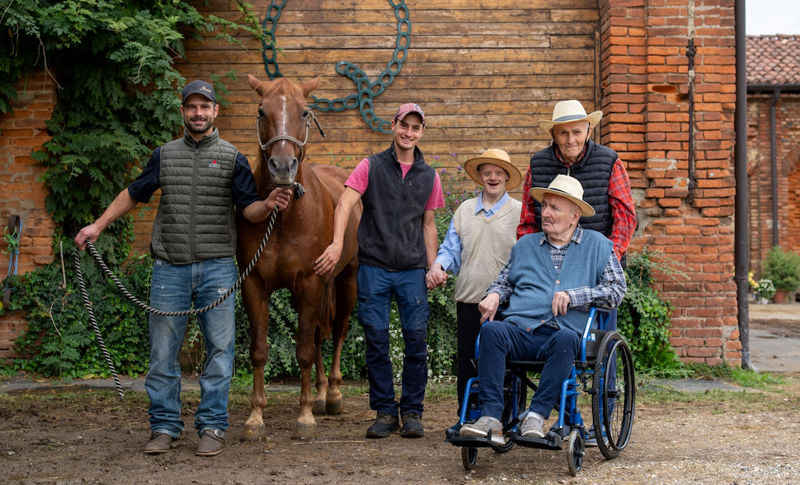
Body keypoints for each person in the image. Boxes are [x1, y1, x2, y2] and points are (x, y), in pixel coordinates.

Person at [75, 80, 293, 457]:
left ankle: (212, 426)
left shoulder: (232, 158)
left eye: (204, 107)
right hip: (169, 269)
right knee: (162, 354)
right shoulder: (164, 155)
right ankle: (164, 427)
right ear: (183, 112)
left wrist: (270, 202)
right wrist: (97, 225)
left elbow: (249, 211)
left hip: (219, 269)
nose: (198, 113)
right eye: (191, 107)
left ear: (215, 112)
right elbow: (134, 193)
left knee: (220, 352)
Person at [459, 175, 626, 445]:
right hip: (519, 331)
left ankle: (535, 416)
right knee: (491, 330)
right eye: (544, 206)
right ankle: (490, 418)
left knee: (566, 339)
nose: (545, 213)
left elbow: (616, 290)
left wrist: (576, 295)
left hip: (561, 337)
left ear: (574, 216)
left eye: (554, 208)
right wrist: (493, 295)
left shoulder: (598, 246)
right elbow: (503, 283)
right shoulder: (525, 246)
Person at [314, 103, 444, 439]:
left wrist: (433, 265)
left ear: (422, 133)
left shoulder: (429, 176)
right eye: (404, 125)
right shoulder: (370, 166)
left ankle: (412, 411)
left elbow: (428, 225)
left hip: (412, 271)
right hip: (373, 268)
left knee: (416, 341)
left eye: (416, 128)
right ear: (394, 125)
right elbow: (345, 203)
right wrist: (338, 244)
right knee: (376, 340)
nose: (409, 133)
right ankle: (385, 411)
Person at [518, 100, 635, 445]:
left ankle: (604, 415)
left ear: (588, 131)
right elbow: (527, 220)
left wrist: (603, 260)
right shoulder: (538, 165)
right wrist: (529, 263)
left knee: (597, 348)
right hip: (547, 268)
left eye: (577, 131)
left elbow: (625, 216)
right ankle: (564, 416)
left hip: (596, 268)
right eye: (564, 132)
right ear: (554, 133)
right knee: (541, 336)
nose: (571, 139)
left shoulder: (608, 161)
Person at [425, 148, 522, 408]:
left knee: (506, 363)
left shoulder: (519, 213)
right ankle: (467, 414)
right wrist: (437, 267)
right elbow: (449, 250)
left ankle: (505, 417)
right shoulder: (465, 211)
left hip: (507, 303)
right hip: (469, 298)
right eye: (487, 172)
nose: (492, 177)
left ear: (506, 178)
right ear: (479, 177)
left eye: (498, 173)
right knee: (469, 360)